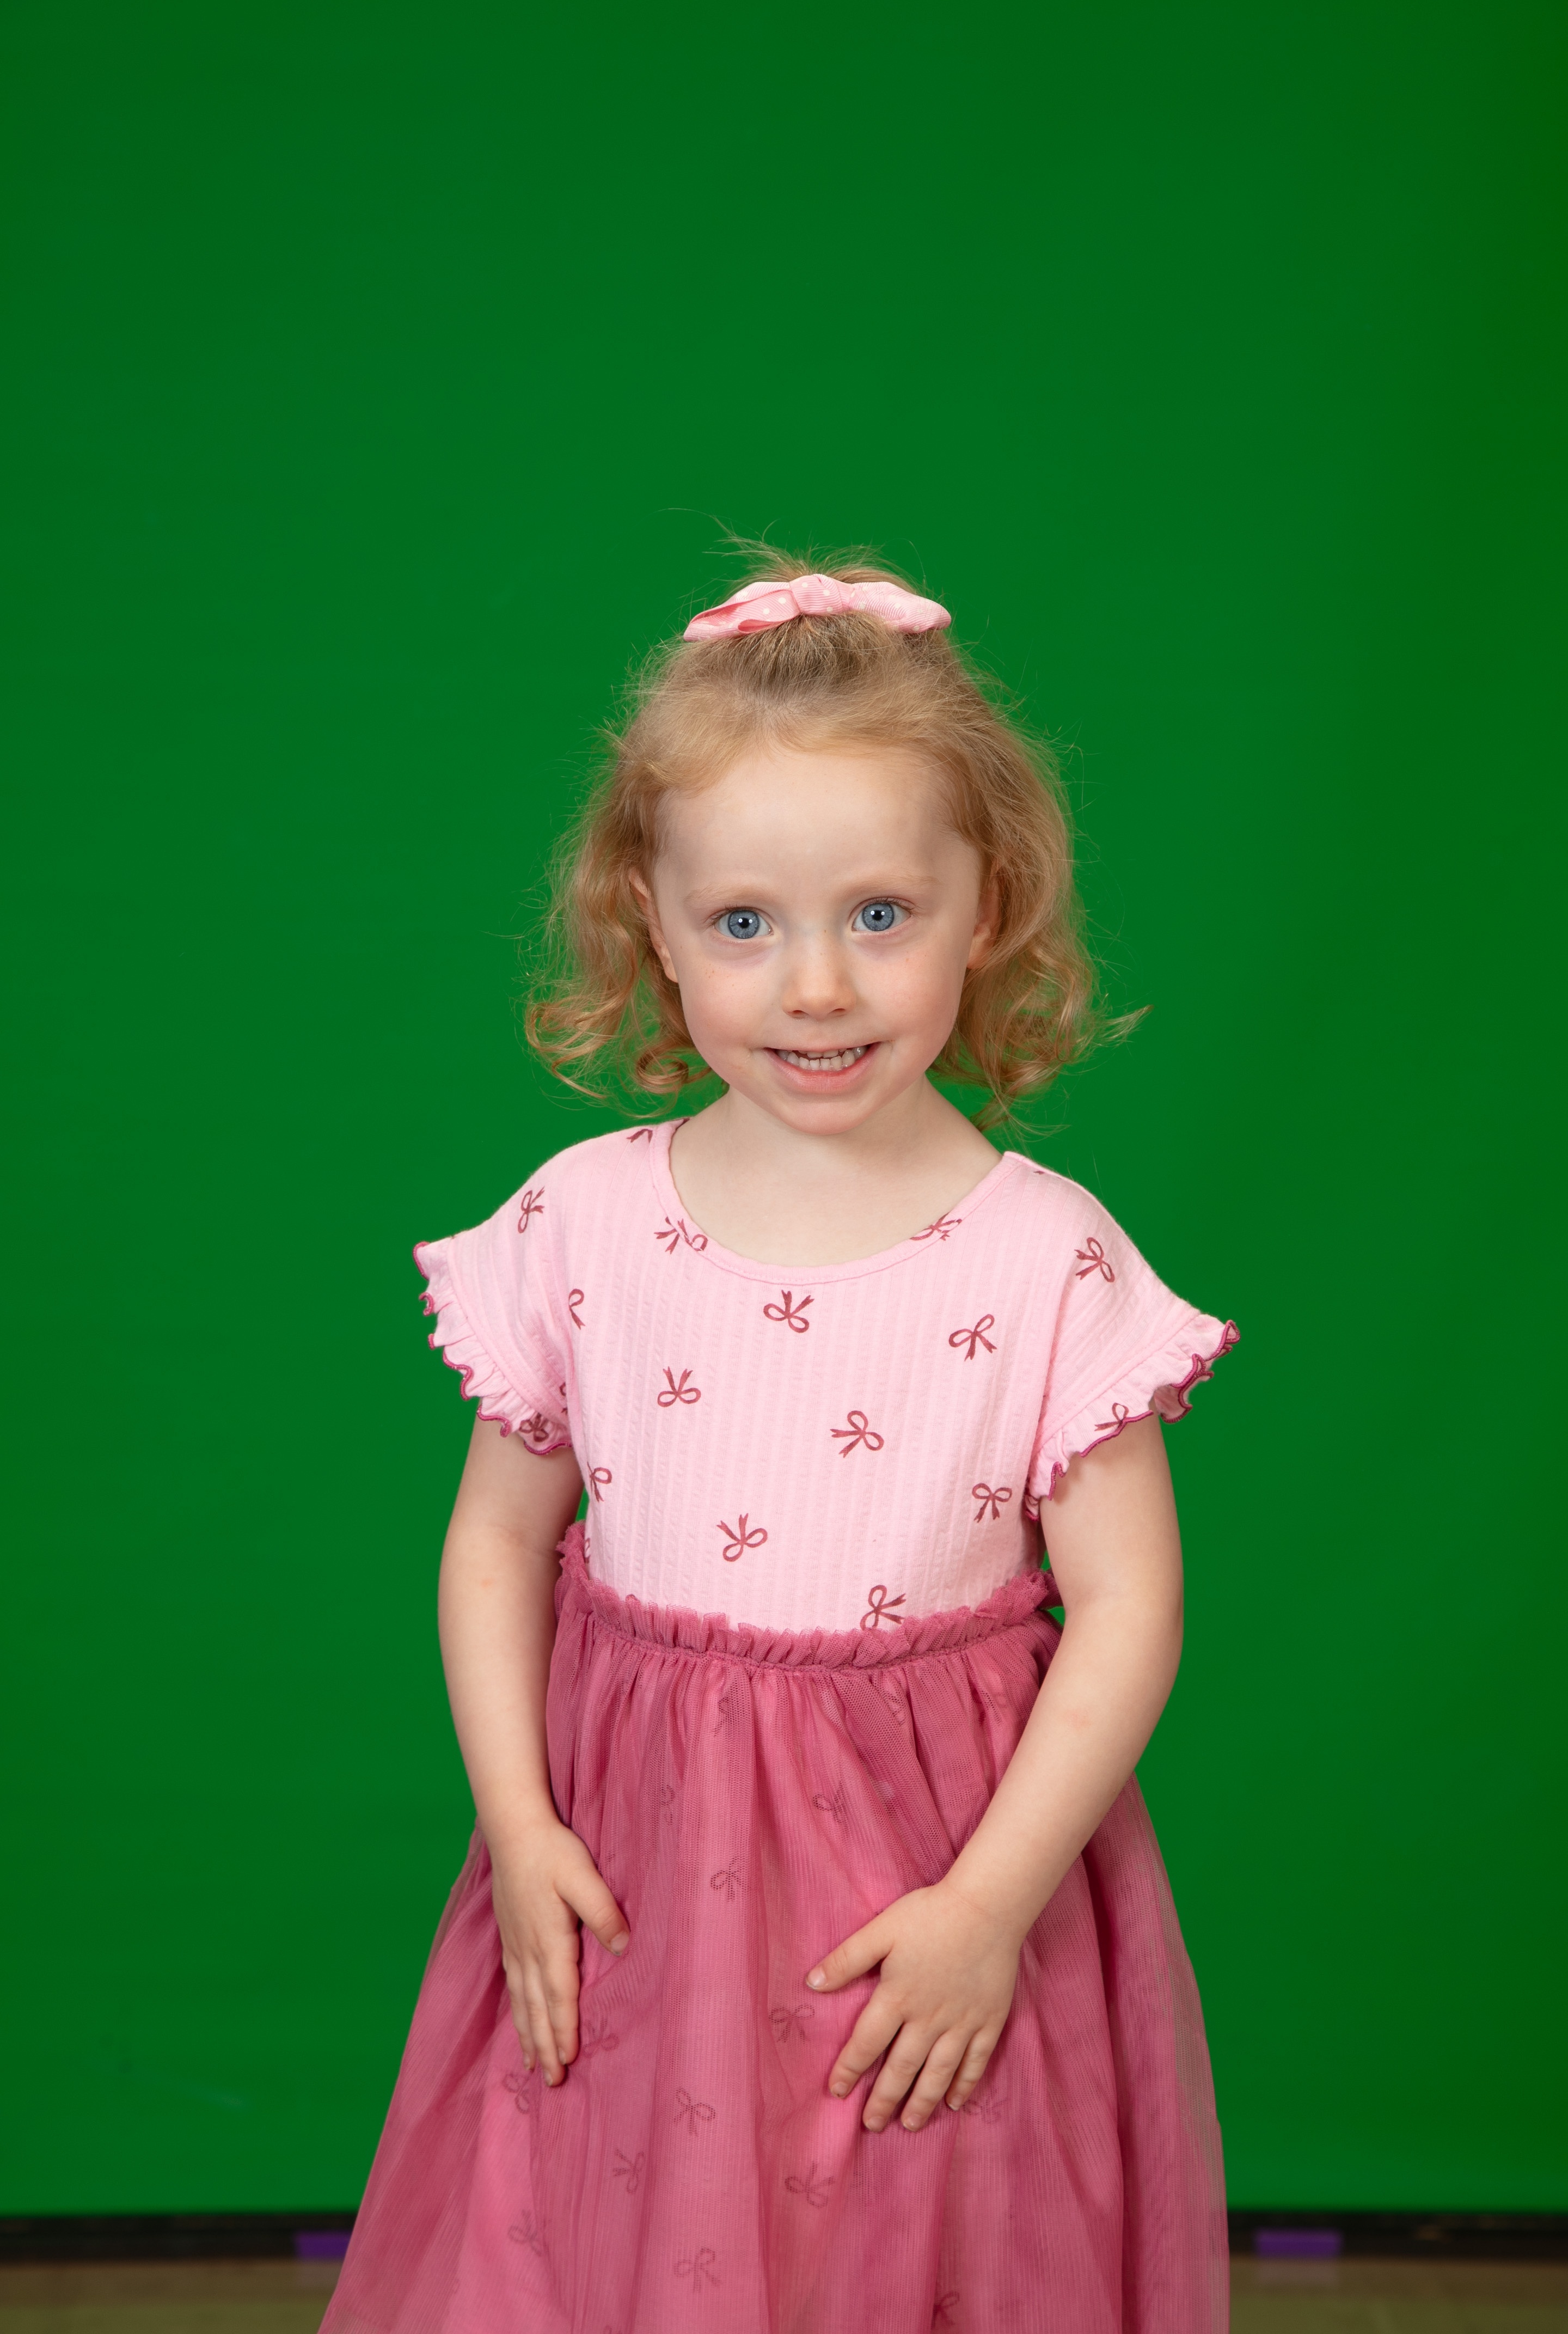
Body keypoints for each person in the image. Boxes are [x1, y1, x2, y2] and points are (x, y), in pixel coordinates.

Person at [323, 559, 1238, 2334]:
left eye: (881, 913)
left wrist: (988, 1911)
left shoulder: (1046, 1257)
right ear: (652, 925)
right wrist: (518, 1824)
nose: (817, 985)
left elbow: (1130, 1607)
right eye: (744, 923)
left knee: (915, 2249)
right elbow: (498, 1540)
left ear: (987, 907)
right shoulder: (584, 1223)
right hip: (642, 1886)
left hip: (935, 1887)